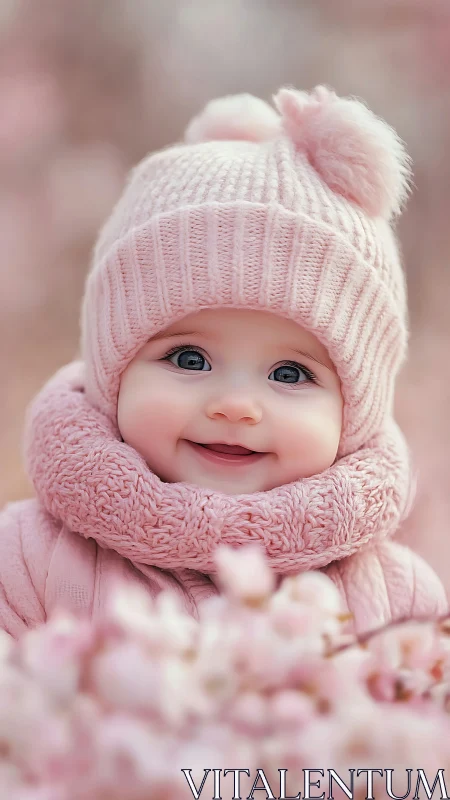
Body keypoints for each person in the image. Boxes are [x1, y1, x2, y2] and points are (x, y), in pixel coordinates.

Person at [1, 85, 447, 638]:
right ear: (111, 375)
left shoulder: (395, 597)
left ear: (354, 413)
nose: (236, 406)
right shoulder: (24, 561)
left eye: (290, 374)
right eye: (189, 358)